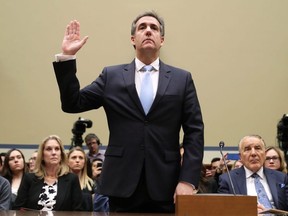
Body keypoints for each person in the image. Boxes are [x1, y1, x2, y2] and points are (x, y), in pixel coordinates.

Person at [53, 10, 204, 213]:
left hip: (166, 184)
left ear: (162, 40)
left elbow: (194, 131)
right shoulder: (111, 76)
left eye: (154, 28)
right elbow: (73, 103)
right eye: (142, 28)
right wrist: (68, 57)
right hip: (122, 184)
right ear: (133, 39)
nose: (148, 31)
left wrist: (188, 180)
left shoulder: (182, 79)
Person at [218, 135, 288, 212]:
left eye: (258, 148)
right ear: (240, 157)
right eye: (247, 149)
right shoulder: (228, 179)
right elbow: (224, 210)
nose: (253, 153)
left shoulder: (281, 177)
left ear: (264, 154)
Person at [14, 135, 83, 211]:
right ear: (42, 155)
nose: (54, 153)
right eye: (49, 149)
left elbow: (78, 210)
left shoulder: (71, 179)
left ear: (61, 154)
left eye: (57, 149)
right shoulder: (29, 178)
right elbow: (18, 208)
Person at [67, 146, 94, 211]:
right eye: (74, 157)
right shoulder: (61, 182)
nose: (77, 160)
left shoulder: (91, 184)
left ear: (85, 162)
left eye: (81, 158)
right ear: (67, 161)